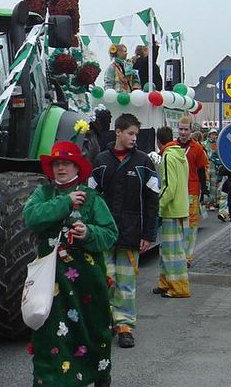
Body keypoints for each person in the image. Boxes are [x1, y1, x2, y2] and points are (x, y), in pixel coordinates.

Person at [24, 140, 117, 387]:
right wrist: (65, 202)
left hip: (88, 281)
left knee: (92, 328)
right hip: (50, 280)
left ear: (77, 167)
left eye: (66, 163)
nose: (61, 168)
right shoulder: (43, 193)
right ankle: (49, 380)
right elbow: (31, 218)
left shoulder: (92, 198)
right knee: (49, 331)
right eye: (57, 163)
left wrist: (88, 232)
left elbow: (110, 233)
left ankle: (99, 374)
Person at [92, 113, 158, 348]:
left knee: (126, 284)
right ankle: (106, 321)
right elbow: (90, 197)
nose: (134, 138)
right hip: (104, 233)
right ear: (118, 132)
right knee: (106, 279)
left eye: (136, 134)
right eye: (130, 133)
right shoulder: (100, 161)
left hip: (132, 233)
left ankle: (125, 326)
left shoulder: (144, 162)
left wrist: (148, 234)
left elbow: (152, 201)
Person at [153, 126, 191, 298]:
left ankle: (178, 288)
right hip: (181, 207)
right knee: (168, 250)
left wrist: (158, 205)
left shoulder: (168, 156)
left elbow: (169, 186)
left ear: (158, 141)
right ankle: (165, 283)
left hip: (171, 210)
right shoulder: (181, 154)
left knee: (172, 253)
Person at [174, 116, 209, 266]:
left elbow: (201, 171)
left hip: (192, 191)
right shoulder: (172, 147)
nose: (183, 132)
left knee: (190, 226)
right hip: (175, 191)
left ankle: (187, 257)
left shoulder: (197, 148)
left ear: (190, 130)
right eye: (180, 129)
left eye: (186, 129)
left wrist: (204, 190)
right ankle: (178, 253)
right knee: (177, 225)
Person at [203, 128, 222, 211]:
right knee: (206, 184)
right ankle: (205, 202)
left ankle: (212, 203)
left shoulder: (218, 144)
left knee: (214, 185)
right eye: (212, 134)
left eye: (215, 135)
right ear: (209, 135)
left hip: (214, 166)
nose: (214, 136)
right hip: (206, 165)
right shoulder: (204, 144)